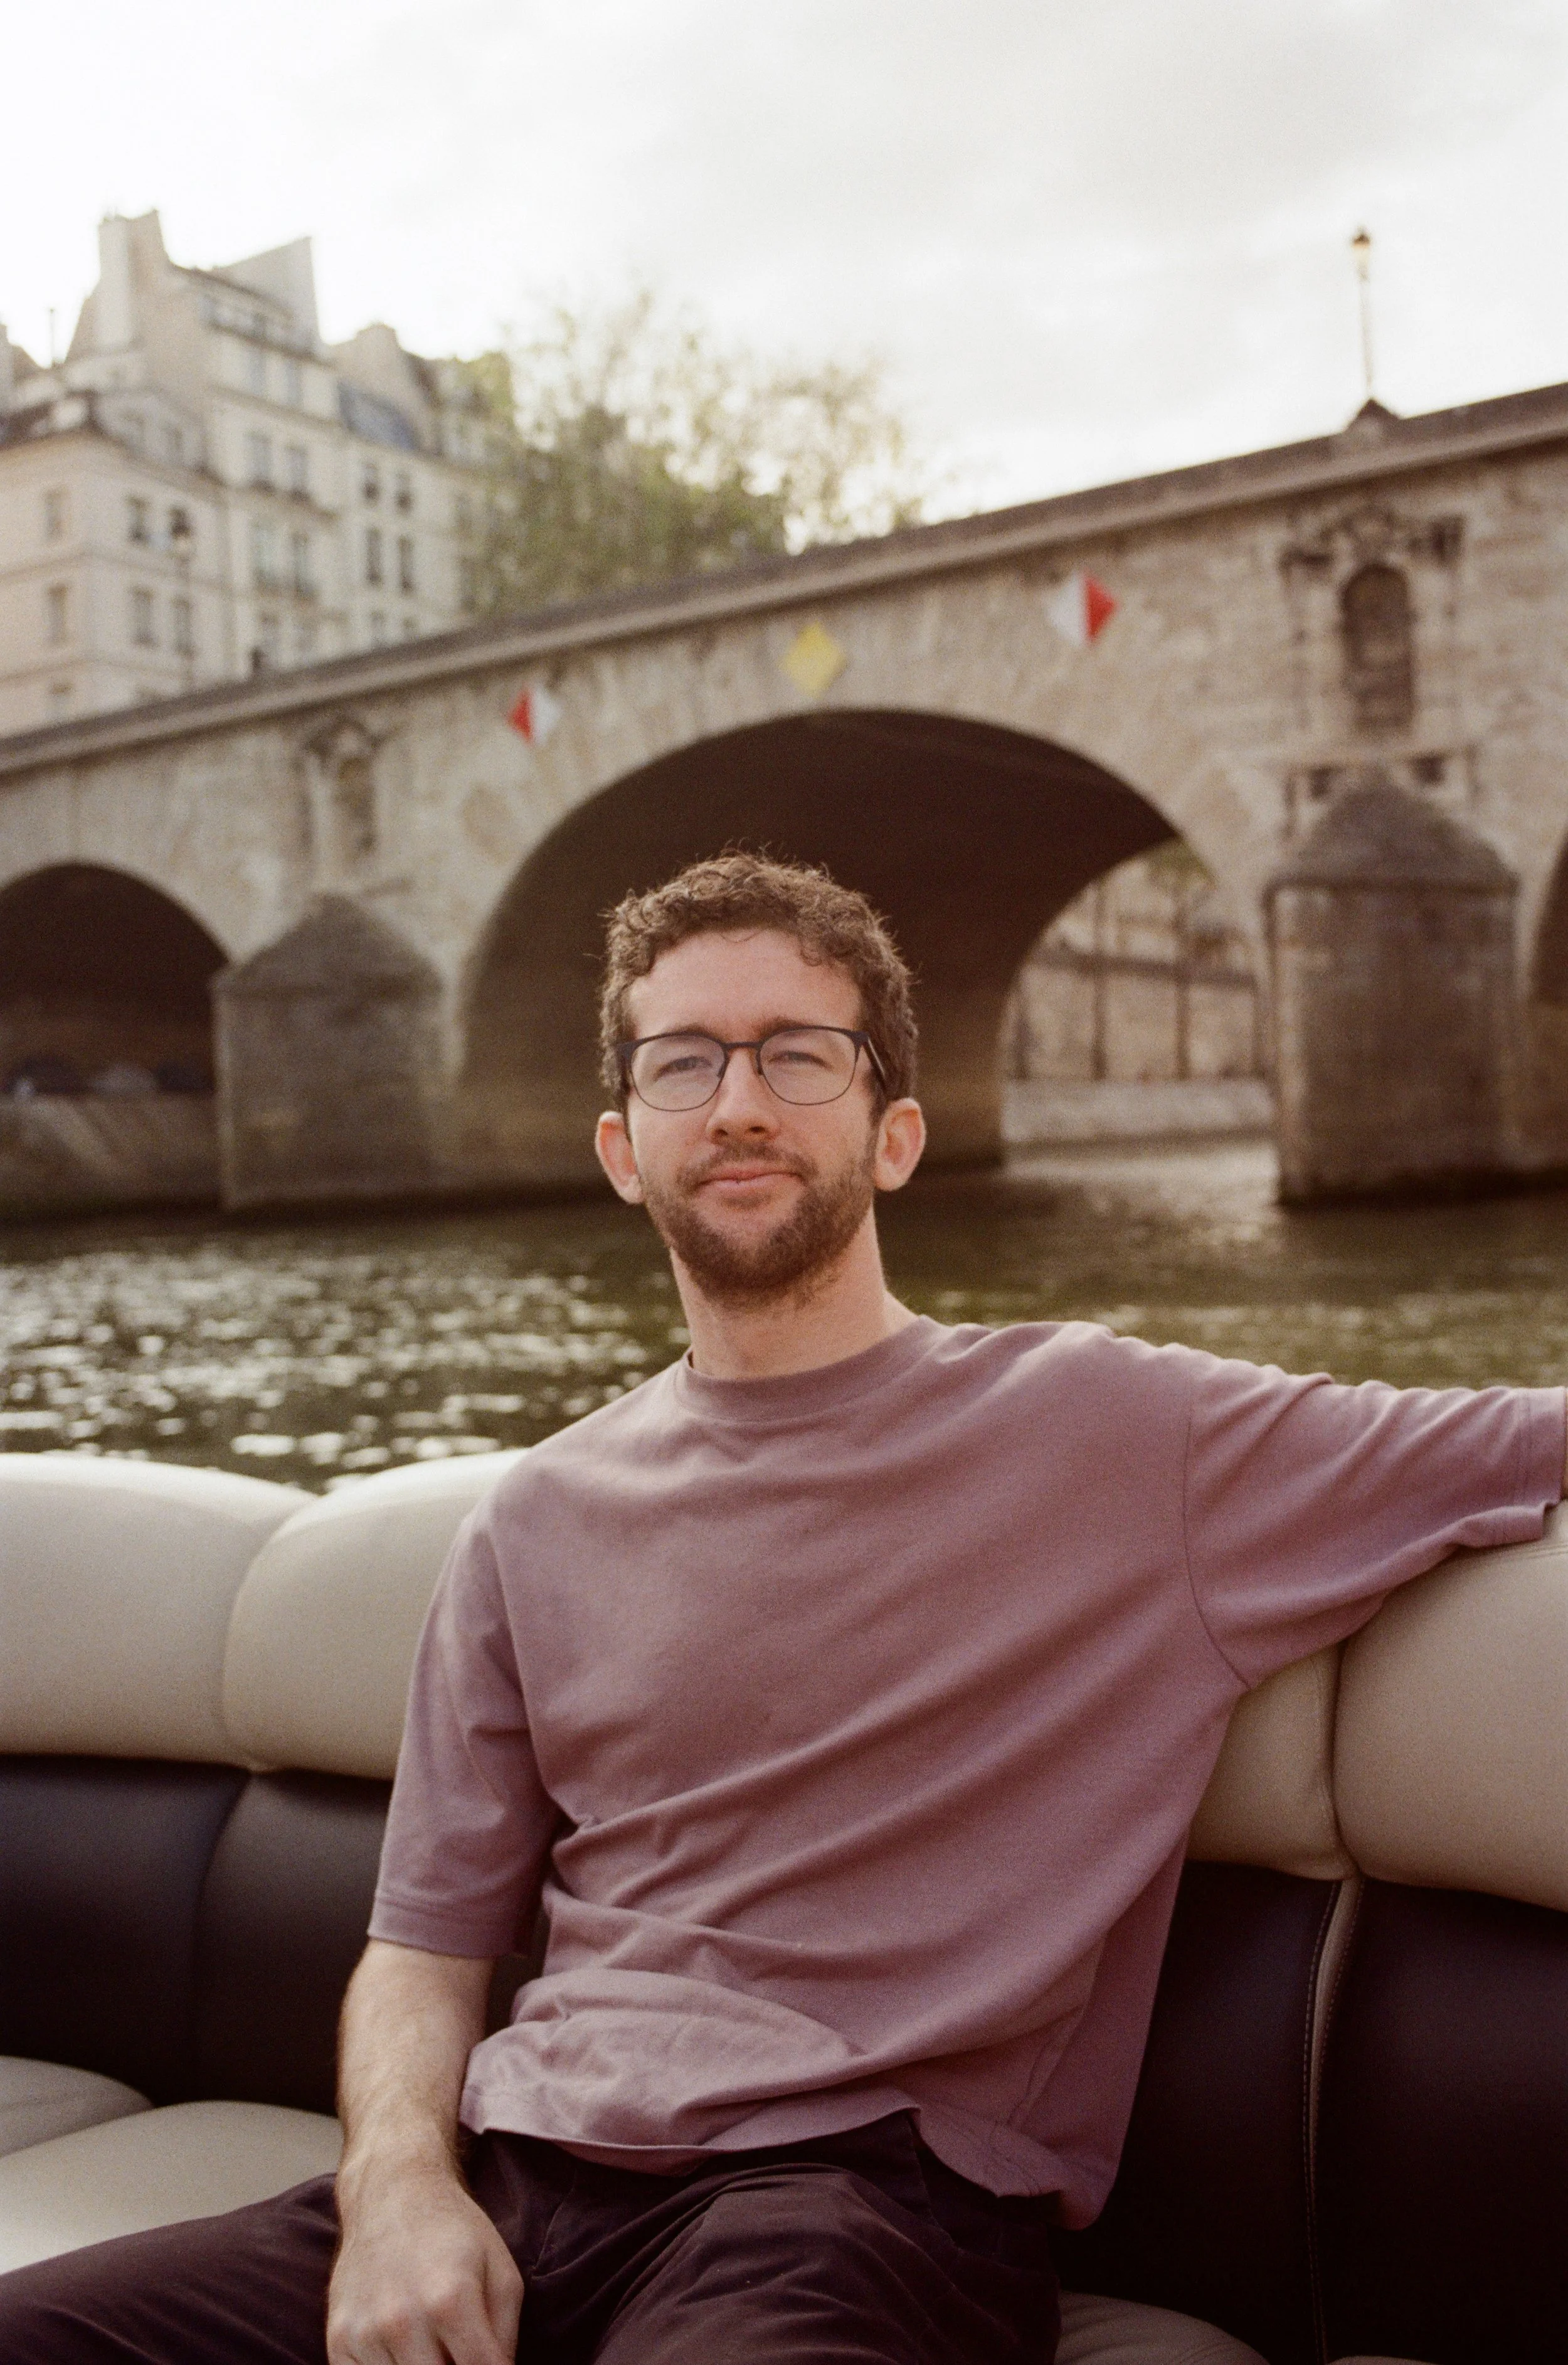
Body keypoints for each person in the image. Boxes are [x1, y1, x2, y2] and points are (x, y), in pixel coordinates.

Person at [3, 852, 1563, 2365]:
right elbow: (422, 1945)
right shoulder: (535, 1514)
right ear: (624, 1148)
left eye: (795, 1055)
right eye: (683, 1062)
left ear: (892, 1134)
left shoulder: (1121, 1434)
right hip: (507, 2162)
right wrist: (400, 2192)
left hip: (857, 2196)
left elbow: (1520, 1437)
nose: (737, 1101)